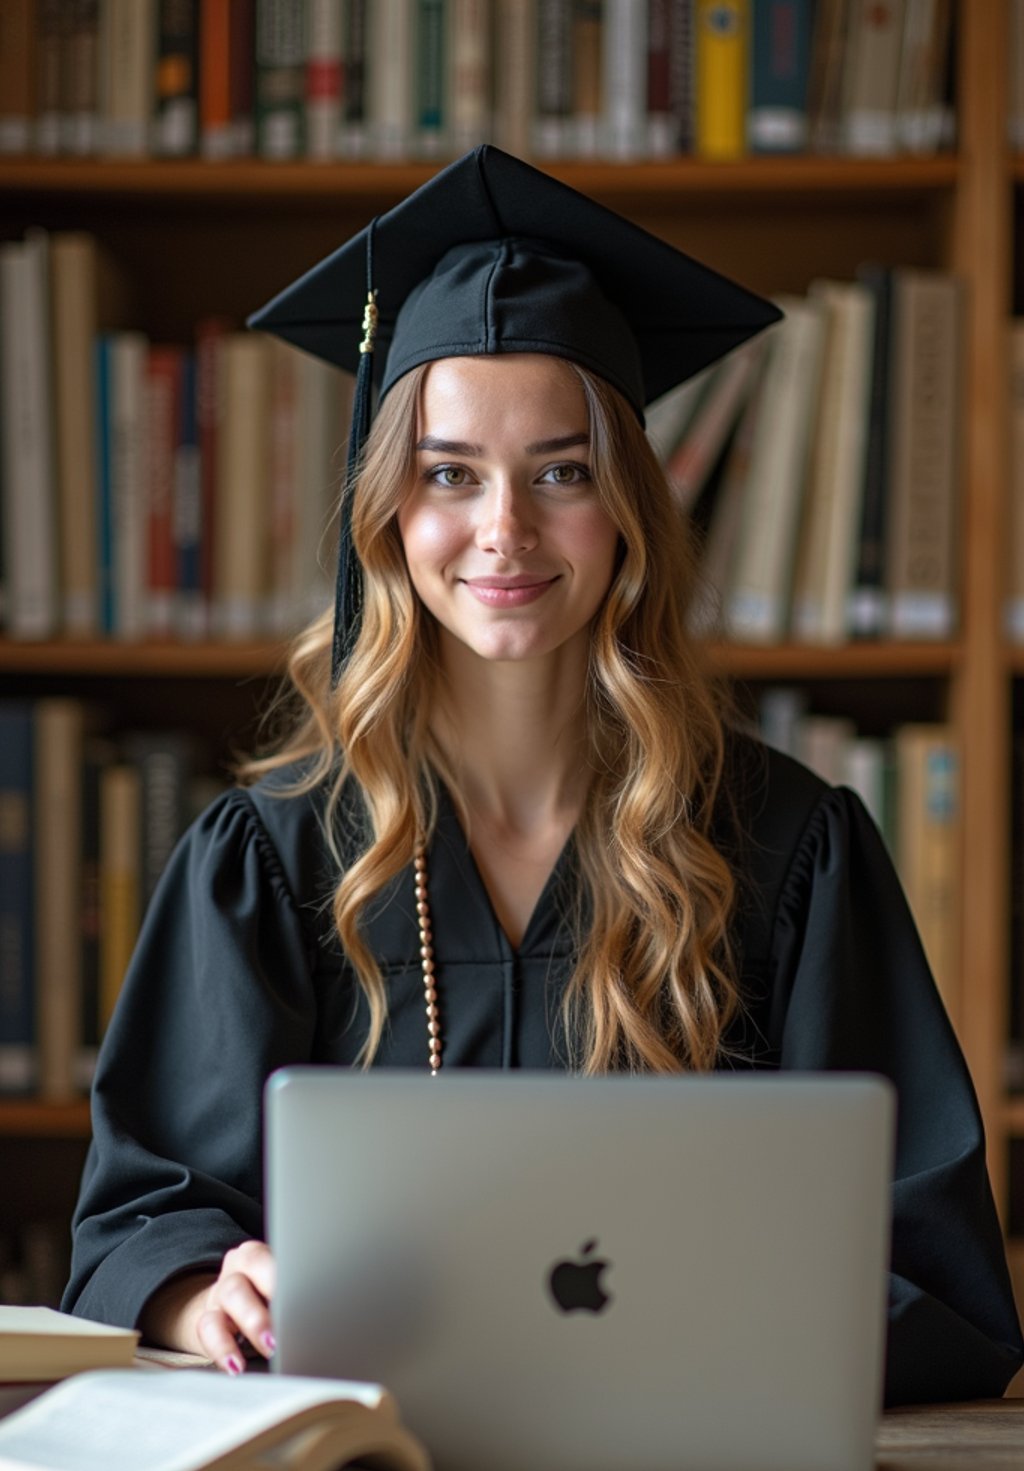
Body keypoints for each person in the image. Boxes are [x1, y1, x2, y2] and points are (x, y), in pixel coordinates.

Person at [63, 146, 1023, 1403]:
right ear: (389, 513)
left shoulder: (789, 848)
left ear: (626, 505)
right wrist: (205, 1293)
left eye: (561, 471)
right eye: (449, 473)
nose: (502, 528)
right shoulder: (271, 855)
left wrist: (711, 1325)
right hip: (370, 1467)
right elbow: (142, 1222)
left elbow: (936, 1276)